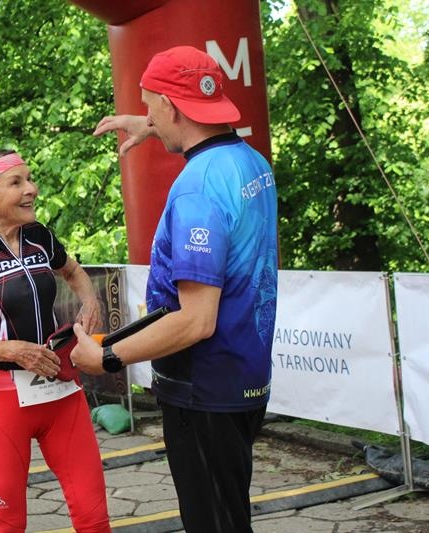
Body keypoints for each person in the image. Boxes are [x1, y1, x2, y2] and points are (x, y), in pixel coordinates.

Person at [71, 46, 278, 533]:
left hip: (202, 388)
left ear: (170, 105)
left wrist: (107, 359)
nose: (146, 117)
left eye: (150, 106)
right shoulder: (250, 161)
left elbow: (196, 320)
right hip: (244, 375)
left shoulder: (196, 188)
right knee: (229, 513)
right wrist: (159, 125)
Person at [0, 149, 112, 533]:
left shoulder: (39, 236)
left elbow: (72, 271)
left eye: (29, 179)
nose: (32, 189)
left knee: (94, 519)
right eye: (17, 182)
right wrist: (13, 350)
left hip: (61, 389)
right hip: (4, 396)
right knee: (8, 525)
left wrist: (90, 301)